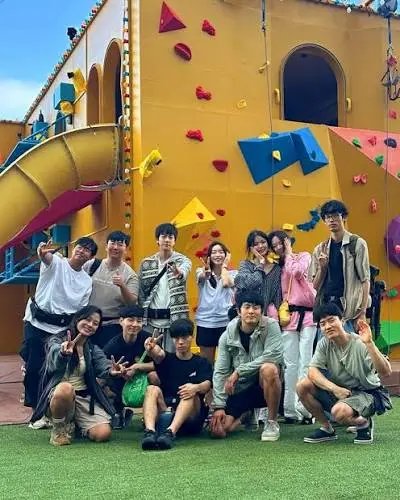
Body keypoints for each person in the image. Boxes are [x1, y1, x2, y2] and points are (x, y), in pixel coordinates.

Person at [30, 306, 128, 446]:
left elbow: (103, 365)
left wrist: (112, 371)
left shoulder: (91, 348)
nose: (90, 325)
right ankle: (59, 429)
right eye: (87, 320)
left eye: (95, 323)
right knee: (66, 388)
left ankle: (77, 427)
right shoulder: (56, 341)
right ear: (77, 319)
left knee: (102, 434)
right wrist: (63, 354)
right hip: (58, 397)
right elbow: (53, 359)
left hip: (83, 397)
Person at [21, 236, 98, 415]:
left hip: (61, 330)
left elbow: (80, 312)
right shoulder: (57, 262)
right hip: (37, 323)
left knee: (54, 369)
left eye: (87, 249)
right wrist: (42, 252)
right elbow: (46, 257)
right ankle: (36, 411)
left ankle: (49, 408)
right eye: (80, 246)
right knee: (33, 367)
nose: (81, 251)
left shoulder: (86, 281)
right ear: (74, 248)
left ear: (91, 257)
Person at [297, 303, 392, 445]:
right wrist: (334, 388)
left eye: (331, 320)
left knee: (339, 412)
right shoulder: (324, 344)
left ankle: (363, 422)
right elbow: (312, 370)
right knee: (302, 385)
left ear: (342, 321)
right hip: (342, 391)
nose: (327, 326)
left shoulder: (360, 343)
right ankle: (327, 428)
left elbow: (386, 372)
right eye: (323, 324)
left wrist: (370, 343)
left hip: (367, 393)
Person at [210, 291, 284, 441]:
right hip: (241, 387)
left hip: (267, 386)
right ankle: (246, 414)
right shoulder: (227, 336)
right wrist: (219, 406)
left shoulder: (271, 326)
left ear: (262, 311)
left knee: (268, 368)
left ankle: (271, 422)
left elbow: (272, 356)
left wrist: (239, 371)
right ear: (239, 311)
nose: (251, 311)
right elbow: (220, 371)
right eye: (247, 307)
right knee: (220, 430)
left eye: (256, 308)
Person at [140, 318, 212, 450]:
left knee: (189, 392)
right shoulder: (166, 358)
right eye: (176, 338)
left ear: (192, 337)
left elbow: (207, 384)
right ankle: (149, 432)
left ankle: (170, 433)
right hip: (166, 410)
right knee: (151, 388)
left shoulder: (201, 362)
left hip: (191, 419)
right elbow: (158, 353)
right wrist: (151, 348)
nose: (180, 342)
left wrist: (195, 387)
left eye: (184, 337)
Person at [269, 230, 317, 424]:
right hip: (289, 318)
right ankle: (290, 410)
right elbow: (273, 295)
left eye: (280, 243)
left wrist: (289, 253)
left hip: (308, 316)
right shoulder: (276, 268)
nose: (277, 248)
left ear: (287, 242)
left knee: (306, 361)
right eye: (274, 245)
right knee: (290, 365)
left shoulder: (303, 256)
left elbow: (297, 272)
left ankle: (305, 409)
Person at [309, 200, 370, 332]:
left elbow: (365, 280)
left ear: (344, 217)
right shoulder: (320, 249)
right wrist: (322, 269)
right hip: (326, 309)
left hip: (349, 311)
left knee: (350, 344)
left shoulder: (357, 244)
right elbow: (313, 287)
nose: (331, 220)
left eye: (336, 215)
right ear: (324, 221)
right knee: (325, 344)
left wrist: (362, 313)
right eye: (328, 217)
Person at [138, 223, 192, 353]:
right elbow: (141, 292)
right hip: (150, 321)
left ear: (174, 241)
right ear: (157, 240)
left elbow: (184, 271)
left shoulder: (182, 261)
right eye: (163, 236)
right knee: (149, 354)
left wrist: (179, 273)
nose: (167, 240)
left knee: (173, 356)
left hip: (174, 319)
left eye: (170, 237)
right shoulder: (146, 263)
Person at [103, 304, 156, 427]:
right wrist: (119, 371)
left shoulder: (148, 340)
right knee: (101, 381)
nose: (135, 324)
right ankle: (116, 411)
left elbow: (162, 364)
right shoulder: (112, 345)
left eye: (139, 321)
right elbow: (103, 366)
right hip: (120, 380)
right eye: (130, 320)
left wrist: (136, 367)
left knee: (155, 376)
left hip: (143, 380)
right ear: (121, 321)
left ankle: (153, 415)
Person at [84, 230, 139, 348]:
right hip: (88, 323)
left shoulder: (130, 275)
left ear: (125, 248)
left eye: (120, 244)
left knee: (107, 357)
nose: (115, 247)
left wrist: (122, 286)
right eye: (112, 243)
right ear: (106, 246)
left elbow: (132, 303)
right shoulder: (91, 265)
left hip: (112, 326)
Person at [195, 241, 237, 364]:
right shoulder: (200, 271)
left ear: (226, 255)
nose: (217, 255)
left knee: (226, 363)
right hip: (205, 322)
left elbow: (226, 283)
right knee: (206, 363)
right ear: (209, 256)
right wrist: (206, 272)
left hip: (226, 322)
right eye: (213, 252)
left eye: (221, 252)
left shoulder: (234, 274)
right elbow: (202, 277)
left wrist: (224, 266)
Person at [234, 230, 282, 320]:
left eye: (263, 242)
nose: (260, 246)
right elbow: (252, 283)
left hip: (266, 318)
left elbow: (277, 296)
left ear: (268, 244)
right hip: (247, 317)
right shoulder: (245, 265)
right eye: (256, 244)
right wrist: (260, 265)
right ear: (251, 248)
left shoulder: (276, 269)